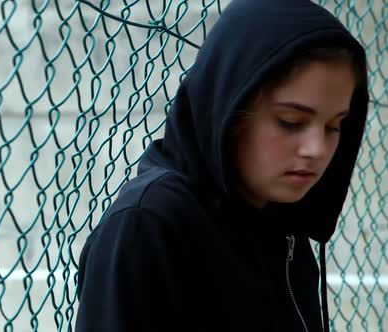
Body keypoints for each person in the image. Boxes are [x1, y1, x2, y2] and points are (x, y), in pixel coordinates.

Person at [74, 0, 369, 331]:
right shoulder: (150, 226)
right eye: (290, 121)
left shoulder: (281, 224)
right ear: (228, 110)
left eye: (334, 125)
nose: (317, 149)